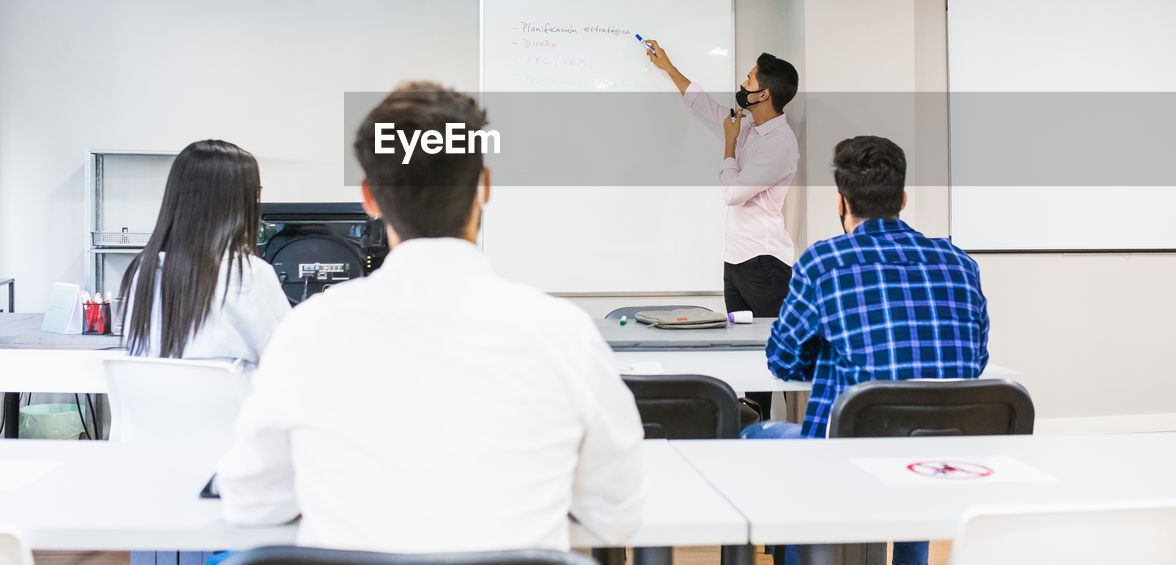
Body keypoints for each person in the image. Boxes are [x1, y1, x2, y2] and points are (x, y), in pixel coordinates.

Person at [216, 81, 646, 552]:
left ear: (370, 198)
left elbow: (251, 504)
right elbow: (616, 515)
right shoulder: (563, 333)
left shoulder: (307, 332)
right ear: (484, 187)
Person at [743, 135, 990, 565]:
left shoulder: (824, 262)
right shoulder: (961, 264)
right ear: (904, 199)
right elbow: (975, 360)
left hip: (847, 458)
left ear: (841, 203)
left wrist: (830, 346)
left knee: (750, 435)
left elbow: (783, 360)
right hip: (937, 464)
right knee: (916, 430)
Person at [647, 43, 799, 418]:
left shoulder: (779, 144)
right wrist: (669, 67)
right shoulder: (750, 122)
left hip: (765, 262)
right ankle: (754, 426)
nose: (742, 82)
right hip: (737, 259)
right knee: (747, 358)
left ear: (764, 93)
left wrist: (728, 144)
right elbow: (709, 108)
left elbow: (733, 194)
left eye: (748, 78)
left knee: (775, 359)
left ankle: (788, 431)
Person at [120, 139, 290, 365]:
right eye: (255, 194)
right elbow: (286, 355)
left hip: (158, 400)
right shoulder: (250, 273)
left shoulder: (145, 270)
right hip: (234, 400)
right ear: (237, 204)